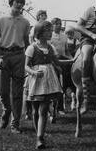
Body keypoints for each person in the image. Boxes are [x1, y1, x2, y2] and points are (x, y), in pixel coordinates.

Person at [25, 20, 74, 149]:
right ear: (39, 32)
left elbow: (57, 62)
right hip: (36, 80)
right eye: (48, 31)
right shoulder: (32, 48)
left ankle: (40, 138)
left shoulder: (50, 47)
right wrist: (34, 72)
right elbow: (26, 66)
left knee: (43, 109)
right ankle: (38, 134)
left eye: (51, 31)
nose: (51, 33)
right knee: (36, 109)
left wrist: (71, 61)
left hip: (48, 80)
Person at [0, 0, 30, 133]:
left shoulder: (25, 22)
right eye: (17, 1)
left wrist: (29, 60)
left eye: (21, 2)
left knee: (17, 92)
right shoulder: (1, 20)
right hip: (4, 55)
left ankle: (15, 123)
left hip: (19, 56)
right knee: (2, 90)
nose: (19, 4)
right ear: (11, 2)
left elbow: (27, 43)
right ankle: (6, 110)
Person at [25, 10, 48, 121]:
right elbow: (31, 40)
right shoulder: (34, 28)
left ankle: (46, 111)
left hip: (45, 59)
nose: (43, 17)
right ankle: (28, 110)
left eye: (45, 15)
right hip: (34, 57)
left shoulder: (47, 28)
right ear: (38, 17)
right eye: (41, 15)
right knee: (29, 87)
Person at [49, 17, 73, 114]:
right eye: (56, 24)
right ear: (52, 25)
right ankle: (51, 107)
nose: (59, 25)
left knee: (63, 84)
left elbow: (66, 51)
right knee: (55, 84)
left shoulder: (64, 36)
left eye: (60, 24)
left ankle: (60, 108)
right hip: (53, 62)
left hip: (64, 62)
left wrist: (72, 59)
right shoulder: (49, 37)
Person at [64, 25, 80, 110]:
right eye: (68, 33)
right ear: (66, 33)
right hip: (66, 60)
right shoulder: (65, 40)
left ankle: (74, 101)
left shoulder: (76, 41)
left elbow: (77, 50)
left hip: (74, 60)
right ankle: (64, 101)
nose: (70, 35)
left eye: (71, 33)